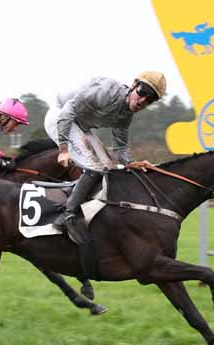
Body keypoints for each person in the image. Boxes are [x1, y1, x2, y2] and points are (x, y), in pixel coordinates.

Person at [44, 71, 166, 233]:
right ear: (134, 85)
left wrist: (132, 163)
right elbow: (68, 111)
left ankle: (90, 207)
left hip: (81, 125)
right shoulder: (106, 91)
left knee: (109, 167)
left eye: (150, 99)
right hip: (60, 116)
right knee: (95, 167)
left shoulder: (126, 115)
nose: (143, 100)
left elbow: (120, 148)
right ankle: (67, 215)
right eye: (142, 92)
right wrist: (64, 149)